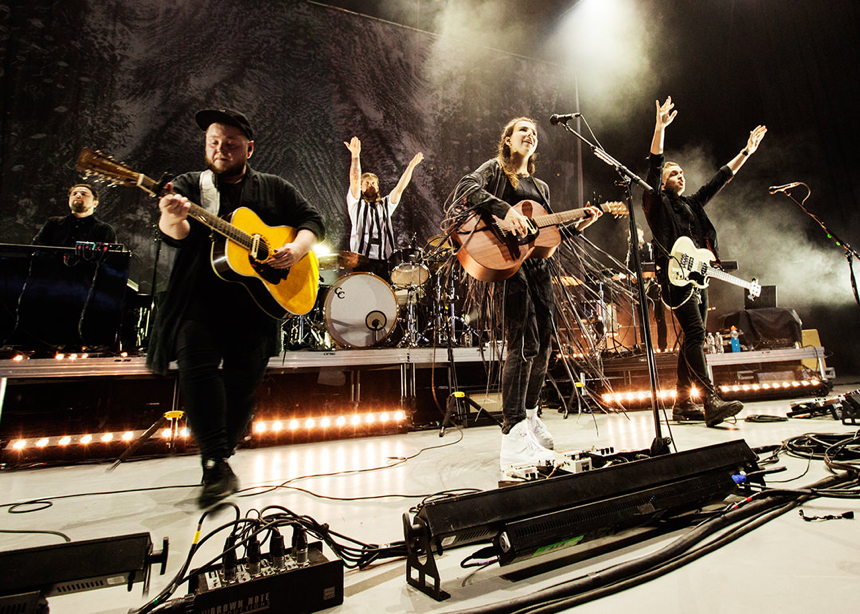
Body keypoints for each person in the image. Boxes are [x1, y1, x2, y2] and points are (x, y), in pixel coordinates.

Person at [147, 108, 325, 508]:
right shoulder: (192, 185)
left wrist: (296, 248)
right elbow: (177, 235)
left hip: (255, 308)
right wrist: (169, 216)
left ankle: (221, 454)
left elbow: (312, 219)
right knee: (197, 369)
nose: (220, 149)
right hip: (199, 299)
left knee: (243, 384)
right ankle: (214, 462)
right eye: (213, 142)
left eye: (230, 143)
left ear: (249, 148)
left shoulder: (274, 188)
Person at [450, 117, 601, 470]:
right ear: (508, 139)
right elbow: (464, 188)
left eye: (534, 133)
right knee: (521, 344)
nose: (530, 134)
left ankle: (530, 417)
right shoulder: (496, 170)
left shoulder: (542, 187)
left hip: (537, 271)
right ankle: (512, 430)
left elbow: (545, 240)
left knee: (544, 345)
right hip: (506, 266)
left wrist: (577, 227)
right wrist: (505, 212)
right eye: (523, 130)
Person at [643, 96, 766, 426]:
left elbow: (719, 180)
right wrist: (659, 129)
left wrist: (746, 153)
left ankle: (683, 403)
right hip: (674, 279)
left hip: (698, 278)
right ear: (663, 182)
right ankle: (709, 399)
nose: (679, 175)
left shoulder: (693, 205)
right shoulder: (657, 204)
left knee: (691, 339)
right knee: (696, 335)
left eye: (682, 172)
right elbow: (655, 166)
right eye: (673, 173)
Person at [344, 136, 423, 279]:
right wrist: (355, 156)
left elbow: (399, 188)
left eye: (373, 183)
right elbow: (354, 180)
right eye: (367, 183)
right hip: (361, 260)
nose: (370, 185)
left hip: (384, 260)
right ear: (361, 188)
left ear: (378, 186)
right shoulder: (356, 204)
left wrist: (411, 167)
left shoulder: (386, 205)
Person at [33, 184, 118, 246]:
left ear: (95, 203)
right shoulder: (53, 223)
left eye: (83, 194)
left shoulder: (104, 229)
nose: (78, 195)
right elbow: (36, 247)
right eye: (74, 194)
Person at [626, 226, 667, 351]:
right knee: (643, 320)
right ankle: (645, 346)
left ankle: (662, 346)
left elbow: (656, 264)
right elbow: (628, 268)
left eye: (636, 233)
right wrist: (632, 275)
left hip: (654, 286)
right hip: (640, 289)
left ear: (641, 233)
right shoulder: (631, 251)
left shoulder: (650, 248)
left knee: (660, 317)